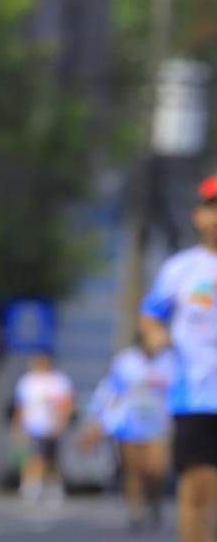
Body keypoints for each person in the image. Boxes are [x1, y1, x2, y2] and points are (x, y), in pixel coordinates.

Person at [140, 174, 217, 542]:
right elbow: (151, 312)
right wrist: (155, 333)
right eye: (211, 207)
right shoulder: (180, 268)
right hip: (198, 394)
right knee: (198, 489)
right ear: (197, 216)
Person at [79, 334, 176, 529]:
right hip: (130, 425)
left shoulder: (170, 361)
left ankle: (155, 502)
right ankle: (136, 509)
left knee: (156, 469)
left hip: (158, 425)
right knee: (133, 470)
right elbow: (111, 391)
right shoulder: (126, 361)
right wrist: (98, 423)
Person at [11, 351, 74, 506]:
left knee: (52, 460)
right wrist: (18, 426)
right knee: (34, 457)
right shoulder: (27, 381)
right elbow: (20, 406)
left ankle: (54, 488)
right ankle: (32, 488)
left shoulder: (59, 380)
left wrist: (62, 422)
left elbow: (67, 403)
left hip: (52, 426)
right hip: (34, 426)